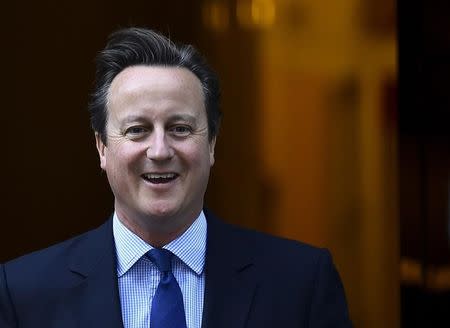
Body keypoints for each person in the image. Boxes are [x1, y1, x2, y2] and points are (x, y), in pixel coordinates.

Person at [0, 27, 351, 328]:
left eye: (180, 128)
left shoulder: (301, 284)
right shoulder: (23, 293)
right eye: (137, 130)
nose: (159, 150)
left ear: (211, 142)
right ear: (102, 147)